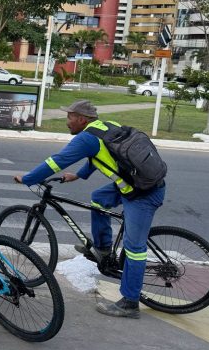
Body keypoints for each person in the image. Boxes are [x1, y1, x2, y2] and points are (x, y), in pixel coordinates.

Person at [13, 100, 166, 319]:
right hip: (132, 184)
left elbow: (56, 162)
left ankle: (130, 303)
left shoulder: (86, 138)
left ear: (82, 120)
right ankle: (102, 249)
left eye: (70, 117)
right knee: (98, 199)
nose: (67, 122)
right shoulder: (105, 127)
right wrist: (79, 174)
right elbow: (101, 155)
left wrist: (28, 178)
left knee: (134, 248)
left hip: (143, 193)